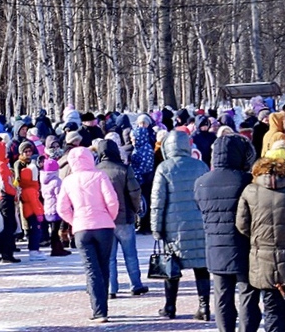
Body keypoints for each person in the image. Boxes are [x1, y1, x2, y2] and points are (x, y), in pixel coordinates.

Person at [236, 156, 285, 332]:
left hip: (264, 260)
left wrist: (259, 239)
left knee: (272, 310)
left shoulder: (250, 190)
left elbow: (242, 225)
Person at [194, 134, 260, 332]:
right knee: (247, 295)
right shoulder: (247, 180)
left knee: (222, 296)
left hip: (215, 246)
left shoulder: (201, 182)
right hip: (244, 245)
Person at [151, 130, 211, 320]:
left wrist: (156, 228)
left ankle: (170, 307)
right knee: (201, 267)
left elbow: (157, 202)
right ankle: (204, 307)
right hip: (200, 224)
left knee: (172, 267)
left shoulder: (164, 168)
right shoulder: (200, 166)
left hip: (173, 227)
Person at [57, 146, 119, 323]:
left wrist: (74, 221)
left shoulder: (68, 181)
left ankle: (98, 310)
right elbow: (112, 201)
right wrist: (109, 218)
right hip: (104, 226)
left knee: (91, 270)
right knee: (103, 266)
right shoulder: (99, 176)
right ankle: (103, 307)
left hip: (82, 228)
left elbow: (61, 208)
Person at [95, 138, 146, 299]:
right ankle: (135, 284)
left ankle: (111, 288)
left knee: (109, 257)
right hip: (124, 218)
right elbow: (134, 192)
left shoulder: (96, 171)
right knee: (130, 253)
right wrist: (136, 209)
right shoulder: (124, 169)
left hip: (104, 219)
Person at [0, 141, 20, 263]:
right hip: (5, 197)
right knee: (9, 226)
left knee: (8, 226)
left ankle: (0, 249)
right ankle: (2, 251)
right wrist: (15, 192)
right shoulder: (1, 165)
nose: (6, 152)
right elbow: (5, 184)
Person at [15, 142, 46, 261]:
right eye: (26, 152)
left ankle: (34, 248)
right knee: (34, 229)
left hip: (28, 199)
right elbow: (19, 179)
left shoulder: (31, 164)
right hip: (28, 201)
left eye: (29, 151)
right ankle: (33, 249)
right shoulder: (19, 164)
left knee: (34, 228)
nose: (28, 154)